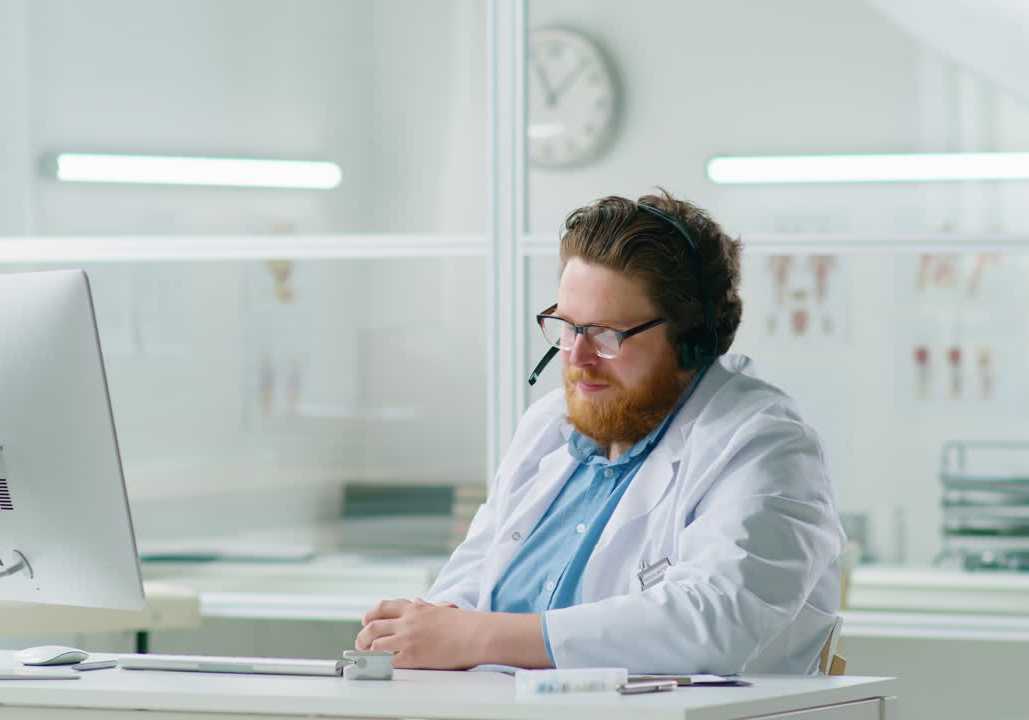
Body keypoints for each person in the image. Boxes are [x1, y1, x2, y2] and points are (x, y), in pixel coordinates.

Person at [356, 191, 845, 675]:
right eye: (566, 327)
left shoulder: (764, 441)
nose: (576, 357)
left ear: (691, 339)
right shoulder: (548, 426)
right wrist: (420, 632)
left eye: (607, 334)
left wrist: (474, 637)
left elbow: (716, 621)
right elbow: (475, 575)